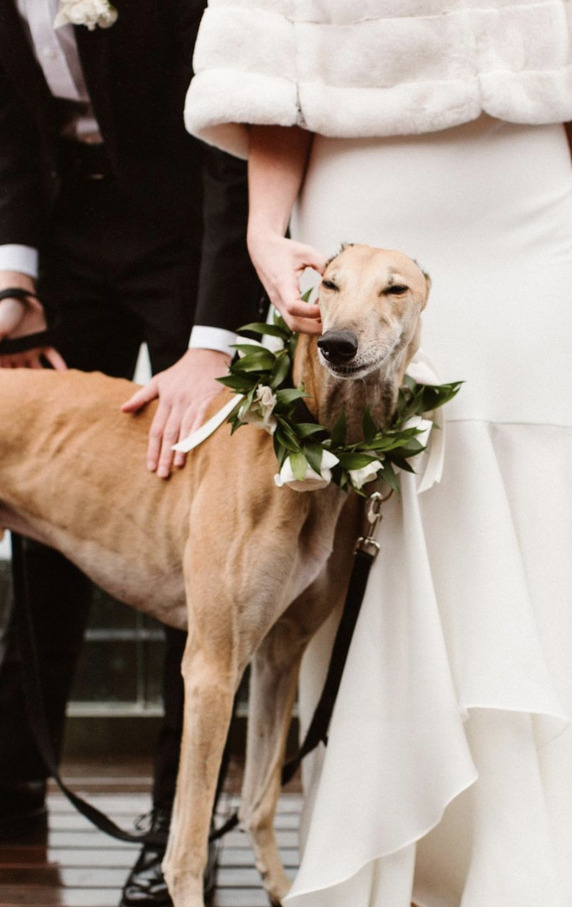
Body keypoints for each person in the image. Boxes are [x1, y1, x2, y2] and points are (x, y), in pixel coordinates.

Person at [184, 2, 572, 905]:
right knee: (377, 522)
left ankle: (541, 852)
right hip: (362, 209)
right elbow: (271, 69)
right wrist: (263, 231)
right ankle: (390, 857)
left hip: (527, 223)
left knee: (534, 501)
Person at [0, 2, 262, 905]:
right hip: (68, 238)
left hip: (193, 245)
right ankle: (13, 782)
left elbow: (235, 146)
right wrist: (14, 280)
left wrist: (216, 338)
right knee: (43, 507)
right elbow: (8, 125)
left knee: (198, 545)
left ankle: (175, 827)